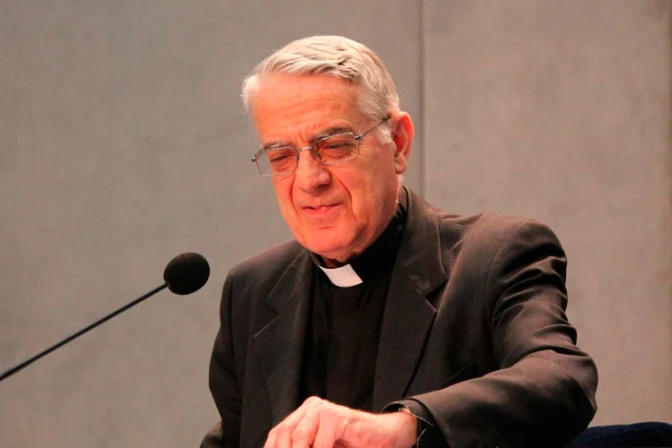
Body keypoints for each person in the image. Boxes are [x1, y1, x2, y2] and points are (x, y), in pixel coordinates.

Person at [200, 35, 598, 448]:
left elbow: (562, 378)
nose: (308, 180)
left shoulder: (493, 257)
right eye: (282, 156)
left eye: (334, 146)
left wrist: (405, 427)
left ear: (398, 144)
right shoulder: (252, 289)